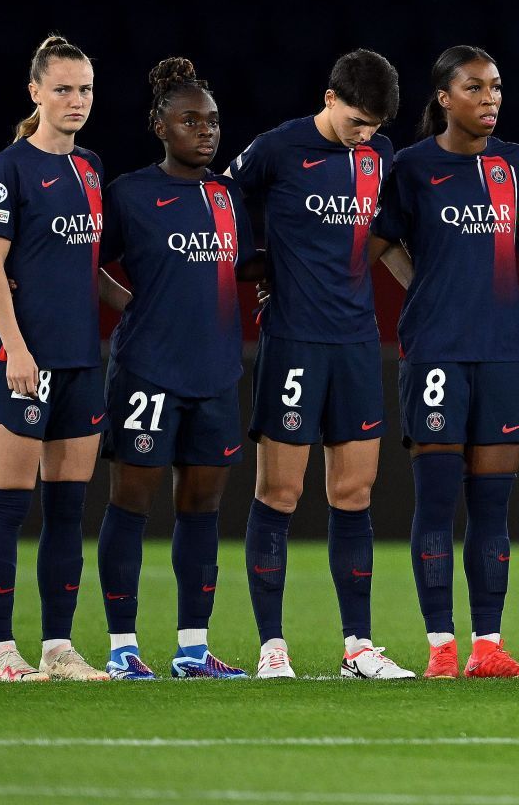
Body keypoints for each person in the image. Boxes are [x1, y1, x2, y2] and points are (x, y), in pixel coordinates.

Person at [371, 45, 519, 679]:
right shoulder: (410, 168)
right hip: (434, 352)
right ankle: (440, 648)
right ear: (443, 98)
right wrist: (424, 286)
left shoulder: (516, 170)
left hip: (498, 355)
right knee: (436, 504)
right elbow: (376, 245)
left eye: (495, 87)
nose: (490, 99)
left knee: (491, 506)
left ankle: (487, 646)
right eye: (474, 88)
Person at [228, 49, 414, 680]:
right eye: (357, 122)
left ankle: (358, 646)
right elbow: (219, 204)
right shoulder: (277, 150)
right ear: (330, 98)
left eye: (375, 128)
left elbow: (387, 236)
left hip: (357, 343)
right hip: (294, 343)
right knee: (279, 492)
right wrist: (258, 267)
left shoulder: (379, 158)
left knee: (353, 492)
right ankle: (271, 647)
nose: (365, 136)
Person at [94, 58, 261, 680]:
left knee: (202, 510)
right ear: (159, 126)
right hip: (149, 372)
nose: (205, 131)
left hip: (216, 373)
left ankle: (193, 648)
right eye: (190, 120)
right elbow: (89, 263)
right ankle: (122, 648)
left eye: (212, 121)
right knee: (132, 504)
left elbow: (235, 266)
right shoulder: (132, 194)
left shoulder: (226, 196)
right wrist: (128, 302)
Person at [0, 35, 120, 681]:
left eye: (84, 89)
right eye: (62, 88)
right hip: (24, 362)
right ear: (35, 92)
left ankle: (57, 648)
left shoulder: (89, 169)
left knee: (66, 510)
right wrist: (16, 351)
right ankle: (0, 652)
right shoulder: (9, 169)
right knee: (7, 505)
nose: (76, 100)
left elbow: (86, 271)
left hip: (81, 363)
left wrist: (138, 306)